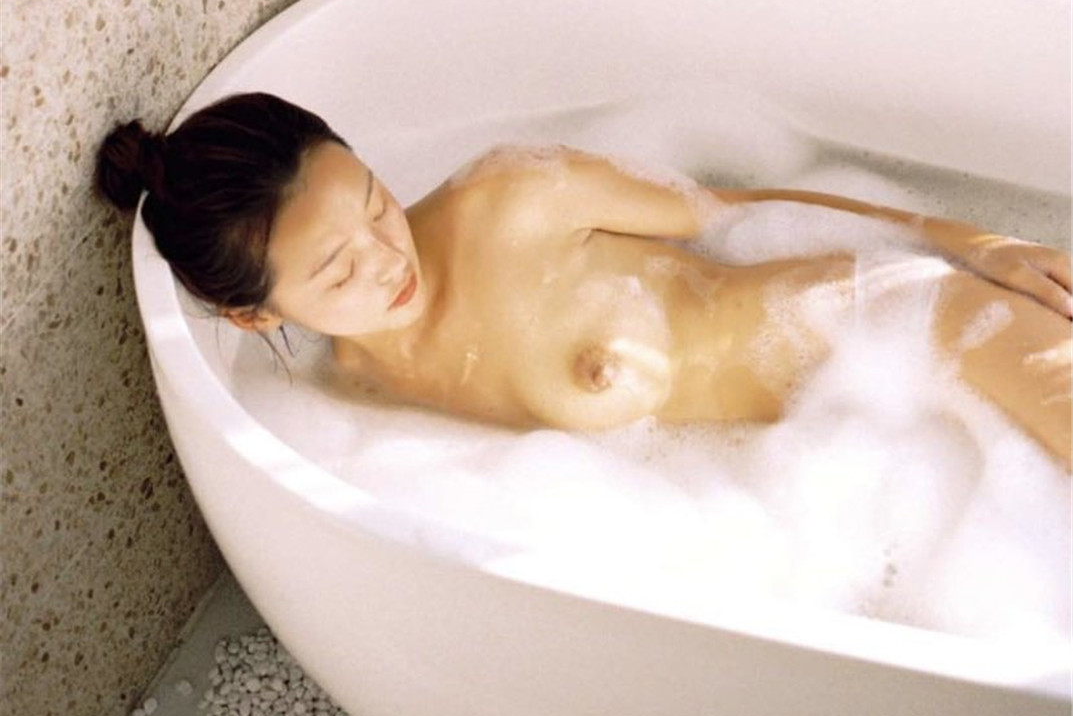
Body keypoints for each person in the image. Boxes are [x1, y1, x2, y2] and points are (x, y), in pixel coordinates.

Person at [94, 91, 1072, 466]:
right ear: (252, 314)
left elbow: (737, 208)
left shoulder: (507, 198)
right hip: (856, 455)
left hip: (903, 324)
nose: (387, 259)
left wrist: (975, 243)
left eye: (375, 203)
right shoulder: (345, 397)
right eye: (338, 269)